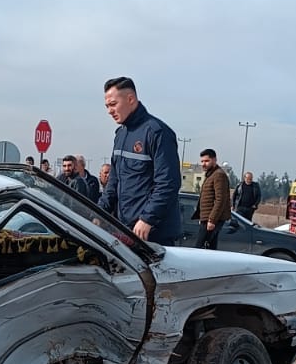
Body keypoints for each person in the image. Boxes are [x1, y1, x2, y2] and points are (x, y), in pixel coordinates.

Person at [97, 77, 183, 243]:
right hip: (125, 230)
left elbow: (168, 183)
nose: (109, 111)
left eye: (113, 104)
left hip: (152, 233)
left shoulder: (157, 133)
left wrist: (147, 219)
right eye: (107, 106)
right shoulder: (120, 135)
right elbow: (114, 181)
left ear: (130, 99)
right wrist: (99, 213)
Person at [193, 149, 231, 248]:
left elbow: (220, 199)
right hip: (207, 217)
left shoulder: (218, 175)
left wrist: (212, 220)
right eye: (202, 161)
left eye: (206, 161)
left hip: (212, 219)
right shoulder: (211, 175)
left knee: (200, 248)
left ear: (214, 160)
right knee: (209, 248)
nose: (203, 164)